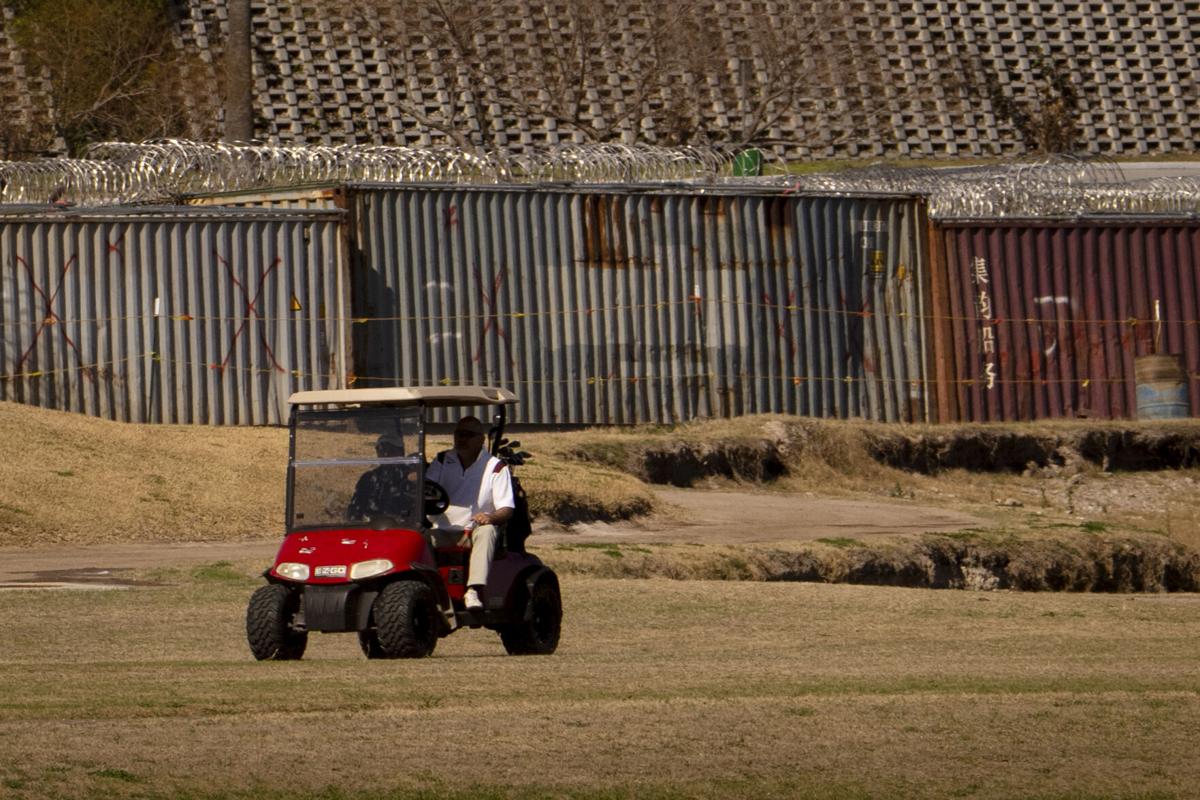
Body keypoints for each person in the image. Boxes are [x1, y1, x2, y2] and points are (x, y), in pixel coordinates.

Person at [425, 415, 514, 611]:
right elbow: (427, 489)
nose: (462, 439)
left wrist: (490, 517)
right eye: (459, 434)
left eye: (468, 435)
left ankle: (473, 590)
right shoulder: (442, 460)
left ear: (481, 439)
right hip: (441, 529)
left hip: (473, 530)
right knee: (415, 536)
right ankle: (425, 589)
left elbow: (506, 508)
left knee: (488, 531)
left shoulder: (495, 467)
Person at [347, 431, 416, 522]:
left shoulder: (411, 476)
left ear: (400, 452)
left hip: (403, 528)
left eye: (391, 450)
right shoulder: (369, 478)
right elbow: (355, 510)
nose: (386, 454)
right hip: (373, 529)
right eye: (381, 450)